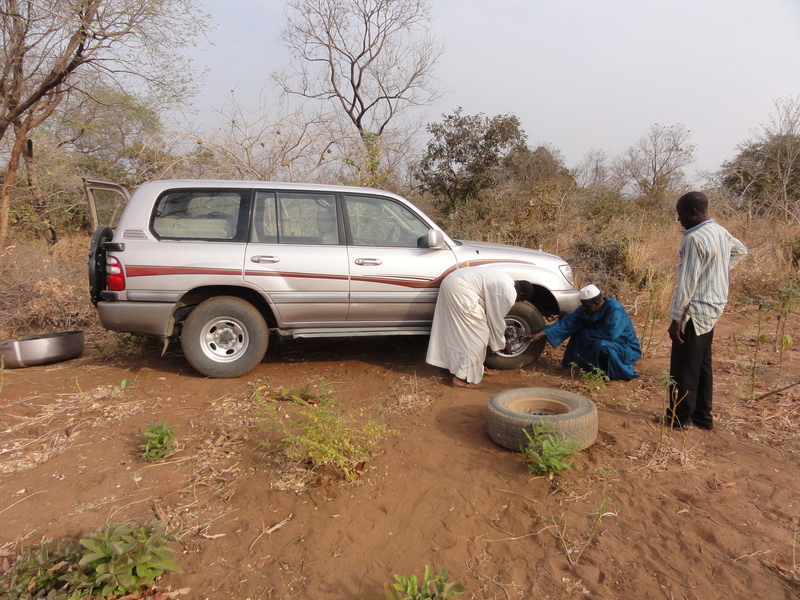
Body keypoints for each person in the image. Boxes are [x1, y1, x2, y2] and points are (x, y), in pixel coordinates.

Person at [661, 191, 748, 430]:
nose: (679, 221)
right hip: (713, 308)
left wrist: (676, 319)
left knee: (684, 368)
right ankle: (702, 417)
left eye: (680, 215)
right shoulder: (719, 231)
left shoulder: (694, 239)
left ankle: (680, 419)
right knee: (702, 365)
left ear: (693, 213)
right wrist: (717, 268)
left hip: (694, 311)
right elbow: (741, 251)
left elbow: (686, 284)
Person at [426, 267, 534, 389]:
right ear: (520, 294)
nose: (517, 302)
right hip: (460, 290)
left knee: (461, 333)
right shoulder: (508, 294)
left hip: (452, 282)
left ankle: (475, 369)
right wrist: (502, 344)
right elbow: (496, 321)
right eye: (520, 300)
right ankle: (463, 378)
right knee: (478, 336)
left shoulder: (507, 280)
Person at [529, 284, 641, 381]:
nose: (583, 307)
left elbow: (611, 334)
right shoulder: (586, 309)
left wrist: (587, 334)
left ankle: (614, 373)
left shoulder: (614, 308)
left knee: (600, 345)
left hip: (625, 347)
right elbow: (568, 322)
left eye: (585, 305)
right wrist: (542, 334)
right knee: (578, 330)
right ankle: (583, 365)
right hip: (604, 341)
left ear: (596, 302)